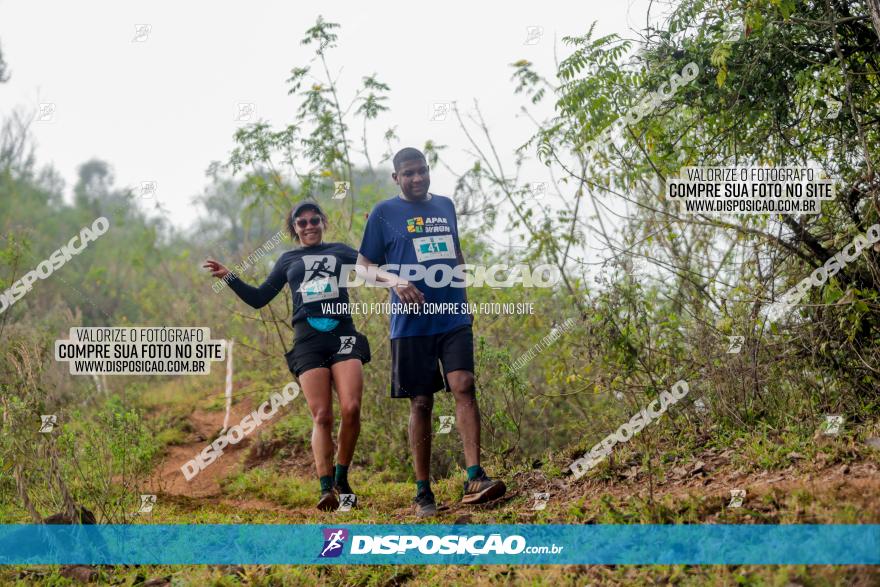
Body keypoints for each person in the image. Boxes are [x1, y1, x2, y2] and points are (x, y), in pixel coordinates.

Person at [357, 147, 507, 517]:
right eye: (408, 174)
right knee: (422, 402)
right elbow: (363, 268)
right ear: (396, 178)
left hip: (452, 316)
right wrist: (393, 281)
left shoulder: (445, 205)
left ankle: (475, 477)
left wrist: (465, 302)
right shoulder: (383, 214)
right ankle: (423, 492)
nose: (417, 178)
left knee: (464, 384)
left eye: (421, 171)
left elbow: (455, 255)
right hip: (411, 325)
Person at [203, 201, 370, 512]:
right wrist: (230, 277)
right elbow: (258, 298)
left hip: (343, 335)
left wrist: (378, 231)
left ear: (323, 222)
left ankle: (342, 476)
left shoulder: (341, 251)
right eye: (302, 222)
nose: (309, 226)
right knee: (322, 415)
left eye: (314, 220)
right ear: (294, 228)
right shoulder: (287, 259)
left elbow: (373, 268)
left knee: (352, 407)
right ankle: (326, 489)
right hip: (308, 341)